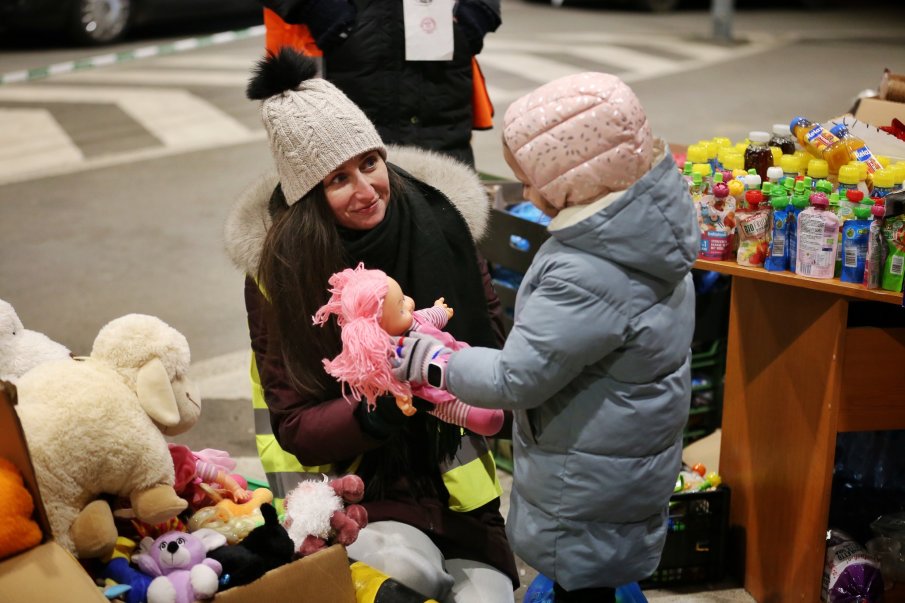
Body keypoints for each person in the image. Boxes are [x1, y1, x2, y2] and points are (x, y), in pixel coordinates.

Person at [224, 48, 517, 602]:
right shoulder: (280, 274)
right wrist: (378, 404)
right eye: (338, 179)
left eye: (369, 163)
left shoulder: (442, 228)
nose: (366, 189)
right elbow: (294, 423)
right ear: (309, 195)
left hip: (457, 489)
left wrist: (440, 365)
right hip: (353, 488)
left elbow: (496, 358)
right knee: (408, 575)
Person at [392, 72, 699, 603]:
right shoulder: (647, 235)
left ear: (578, 178)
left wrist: (434, 362)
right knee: (597, 572)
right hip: (620, 458)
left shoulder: (589, 270)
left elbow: (517, 378)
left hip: (584, 480)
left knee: (583, 582)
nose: (528, 193)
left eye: (534, 179)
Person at [256, 0, 501, 167]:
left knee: (444, 204)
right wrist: (318, 8)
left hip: (438, 60)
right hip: (338, 58)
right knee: (339, 209)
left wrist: (476, 12)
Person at [312, 263, 505, 436]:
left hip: (456, 356)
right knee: (478, 415)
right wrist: (401, 397)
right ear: (378, 328)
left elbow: (429, 317)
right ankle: (485, 417)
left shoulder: (414, 320)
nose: (410, 303)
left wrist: (441, 311)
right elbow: (393, 382)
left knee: (483, 377)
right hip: (435, 392)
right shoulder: (393, 353)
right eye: (401, 308)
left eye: (403, 297)